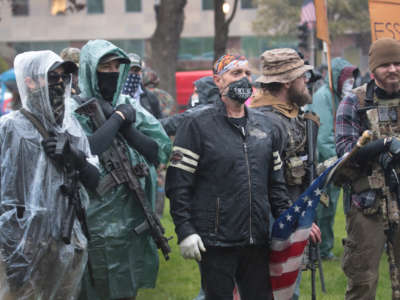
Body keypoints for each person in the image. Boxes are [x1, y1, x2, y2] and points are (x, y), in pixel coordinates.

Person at [166, 54, 294, 300]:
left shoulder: (267, 127)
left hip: (257, 239)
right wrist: (185, 230)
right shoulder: (196, 124)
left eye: (247, 73)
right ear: (218, 80)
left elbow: (276, 186)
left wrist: (292, 222)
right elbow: (178, 183)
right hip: (216, 241)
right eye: (236, 74)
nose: (244, 78)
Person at [71, 40, 171, 300]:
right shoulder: (73, 110)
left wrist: (127, 126)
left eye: (117, 66)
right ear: (91, 69)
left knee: (127, 285)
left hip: (132, 218)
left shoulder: (128, 104)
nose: (113, 72)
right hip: (95, 220)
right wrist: (116, 120)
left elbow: (158, 150)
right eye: (105, 66)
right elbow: (86, 150)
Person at [0, 50, 99, 299]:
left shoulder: (71, 126)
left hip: (65, 239)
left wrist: (75, 158)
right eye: (50, 77)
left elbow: (95, 181)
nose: (59, 83)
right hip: (22, 245)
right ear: (29, 82)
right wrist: (12, 244)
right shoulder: (10, 128)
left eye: (63, 77)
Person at [249, 48, 322, 300]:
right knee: (278, 290)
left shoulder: (292, 115)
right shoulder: (265, 120)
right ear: (288, 82)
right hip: (273, 219)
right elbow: (266, 179)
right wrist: (293, 215)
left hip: (290, 212)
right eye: (303, 77)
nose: (307, 82)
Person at [335, 37, 400, 299]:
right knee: (363, 281)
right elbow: (344, 153)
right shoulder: (354, 102)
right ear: (373, 69)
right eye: (386, 65)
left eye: (398, 63)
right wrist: (383, 145)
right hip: (366, 205)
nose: (393, 69)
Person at [308, 57, 358, 261]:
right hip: (325, 164)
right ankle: (319, 250)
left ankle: (324, 249)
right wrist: (338, 161)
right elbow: (323, 134)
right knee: (323, 209)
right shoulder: (324, 96)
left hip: (336, 161)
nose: (351, 83)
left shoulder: (338, 96)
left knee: (329, 208)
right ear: (337, 77)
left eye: (352, 79)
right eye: (347, 79)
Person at [122, 53, 162, 119]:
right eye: (129, 69)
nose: (132, 73)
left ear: (140, 72)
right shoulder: (115, 95)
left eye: (136, 70)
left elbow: (159, 121)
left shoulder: (150, 97)